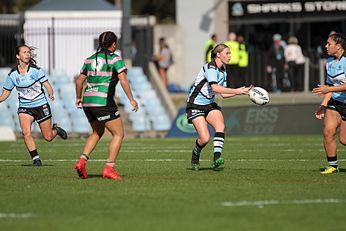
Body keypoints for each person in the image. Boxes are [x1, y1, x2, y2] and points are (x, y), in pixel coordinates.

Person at [74, 31, 138, 181]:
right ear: (113, 44)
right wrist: (131, 99)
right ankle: (109, 168)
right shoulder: (115, 58)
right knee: (118, 134)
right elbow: (123, 80)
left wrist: (78, 97)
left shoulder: (89, 60)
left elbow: (79, 82)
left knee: (97, 132)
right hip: (103, 101)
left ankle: (81, 161)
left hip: (88, 101)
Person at [186, 43, 252, 171]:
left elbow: (223, 94)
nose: (229, 56)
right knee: (204, 139)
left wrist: (242, 92)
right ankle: (195, 154)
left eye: (229, 53)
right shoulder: (211, 67)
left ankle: (217, 159)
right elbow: (215, 88)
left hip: (210, 104)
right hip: (195, 104)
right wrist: (237, 91)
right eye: (227, 53)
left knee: (220, 126)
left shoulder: (223, 70)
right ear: (218, 55)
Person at [0, 45, 67, 166]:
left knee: (48, 137)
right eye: (24, 52)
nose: (27, 54)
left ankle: (56, 130)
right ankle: (36, 159)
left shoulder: (35, 70)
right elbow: (5, 93)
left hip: (41, 105)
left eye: (28, 52)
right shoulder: (13, 75)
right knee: (26, 133)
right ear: (17, 56)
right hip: (25, 107)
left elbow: (47, 85)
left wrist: (50, 93)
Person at [312, 32, 346, 174]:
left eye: (329, 44)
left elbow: (330, 87)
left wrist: (329, 88)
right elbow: (329, 87)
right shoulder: (330, 63)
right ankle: (333, 166)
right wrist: (323, 105)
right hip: (335, 102)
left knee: (344, 140)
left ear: (338, 46)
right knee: (328, 132)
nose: (326, 46)